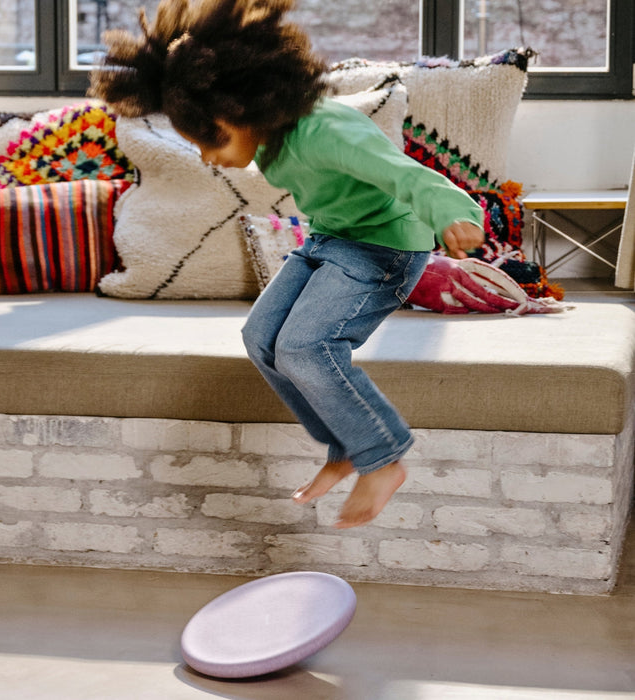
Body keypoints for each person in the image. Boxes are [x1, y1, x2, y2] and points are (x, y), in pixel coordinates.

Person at [89, 0, 485, 528]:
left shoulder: (328, 131)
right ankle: (344, 445)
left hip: (383, 249)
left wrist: (455, 215)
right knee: (262, 338)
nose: (207, 158)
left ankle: (382, 457)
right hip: (331, 240)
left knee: (306, 346)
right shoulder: (274, 142)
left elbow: (405, 174)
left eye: (209, 142)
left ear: (237, 113)